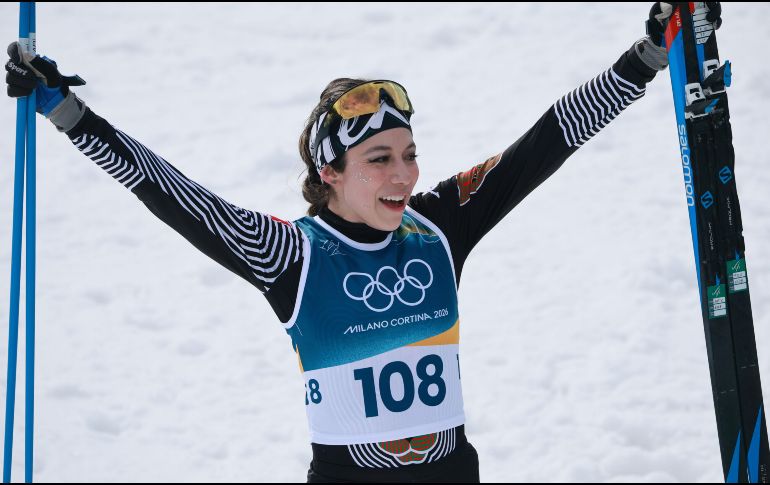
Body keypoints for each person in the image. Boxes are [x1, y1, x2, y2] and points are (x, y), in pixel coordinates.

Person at [4, 3, 722, 483]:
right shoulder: (291, 252)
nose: (405, 175)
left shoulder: (439, 224)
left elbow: (547, 141)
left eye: (409, 153)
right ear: (330, 172)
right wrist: (70, 114)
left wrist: (645, 57)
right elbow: (171, 192)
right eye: (380, 159)